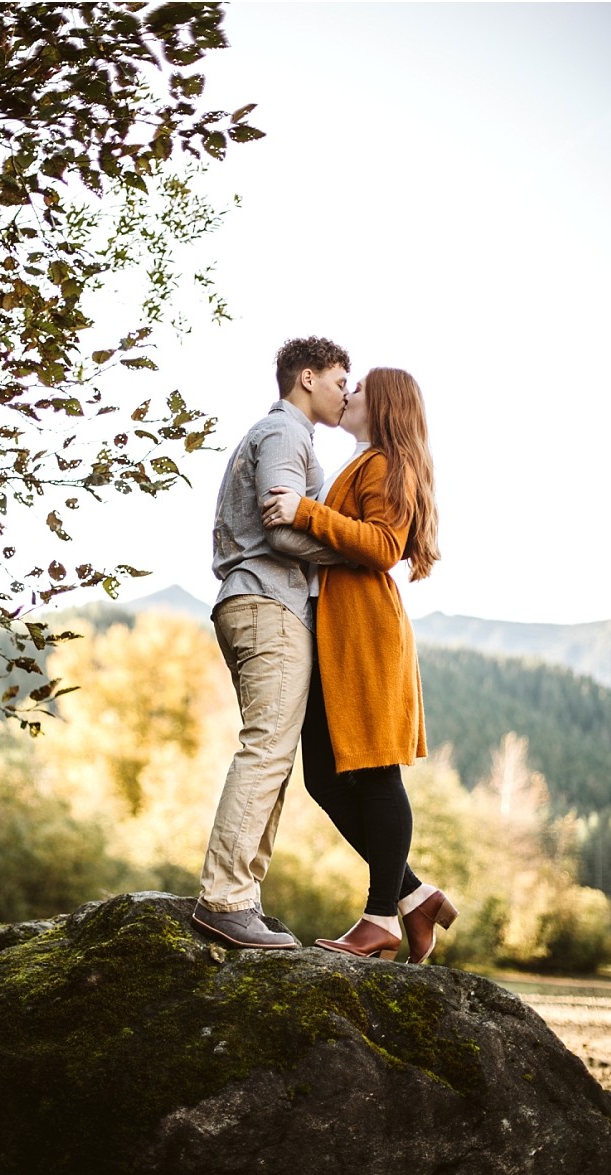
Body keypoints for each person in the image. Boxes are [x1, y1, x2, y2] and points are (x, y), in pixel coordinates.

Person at [262, 367, 458, 963]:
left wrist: (302, 512)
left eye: (361, 389)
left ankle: (380, 918)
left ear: (387, 405)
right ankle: (415, 896)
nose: (348, 395)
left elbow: (382, 546)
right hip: (337, 634)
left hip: (365, 632)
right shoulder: (362, 461)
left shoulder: (385, 465)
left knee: (376, 772)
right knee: (322, 776)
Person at [191, 336, 351, 950]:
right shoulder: (287, 435)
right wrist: (353, 551)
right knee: (267, 751)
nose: (347, 392)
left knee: (274, 754)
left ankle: (241, 898)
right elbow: (281, 530)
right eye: (341, 379)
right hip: (268, 601)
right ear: (307, 377)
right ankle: (225, 899)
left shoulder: (279, 434)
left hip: (252, 601)